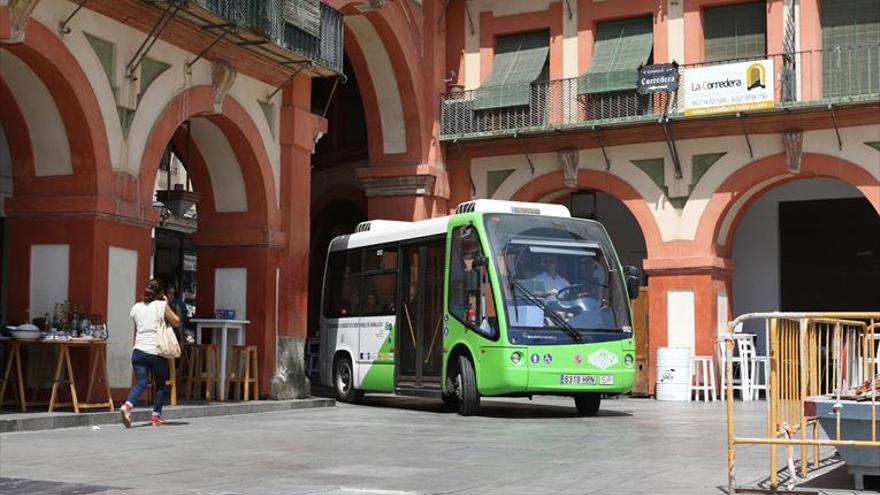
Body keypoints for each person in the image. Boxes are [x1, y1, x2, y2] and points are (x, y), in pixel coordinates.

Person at [120, 279, 181, 427]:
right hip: (156, 352)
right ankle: (156, 416)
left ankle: (127, 406)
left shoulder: (136, 308)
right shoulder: (161, 305)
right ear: (160, 293)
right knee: (160, 384)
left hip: (139, 351)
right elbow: (176, 321)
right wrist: (165, 302)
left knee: (141, 383)